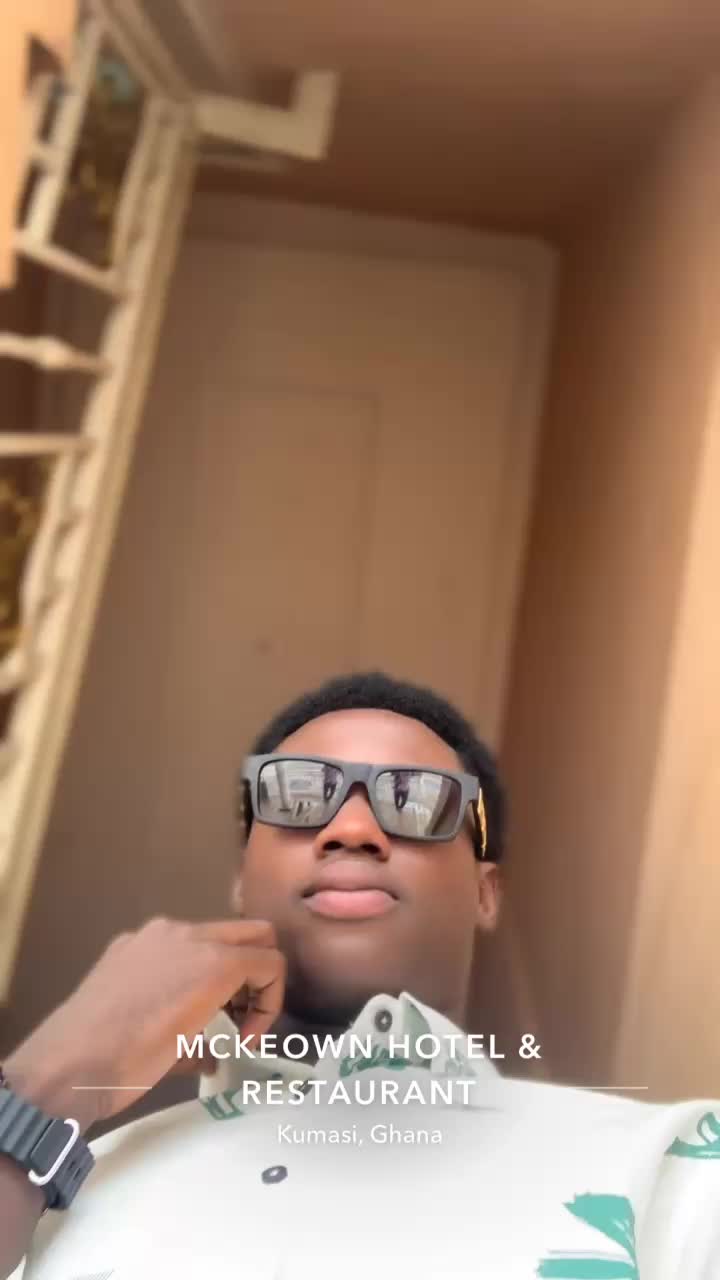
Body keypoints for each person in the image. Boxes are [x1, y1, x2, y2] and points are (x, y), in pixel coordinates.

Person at [0, 672, 718, 1279]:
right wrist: (49, 1080)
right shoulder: (65, 1185)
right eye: (298, 794)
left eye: (415, 799)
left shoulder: (675, 1168)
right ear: (242, 879)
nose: (351, 829)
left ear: (484, 892)